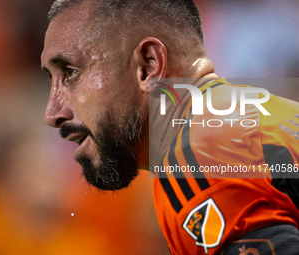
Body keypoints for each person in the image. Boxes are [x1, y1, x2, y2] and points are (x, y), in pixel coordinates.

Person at [40, 0, 299, 254]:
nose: (52, 113)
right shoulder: (277, 115)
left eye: (71, 72)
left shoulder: (198, 156)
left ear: (148, 66)